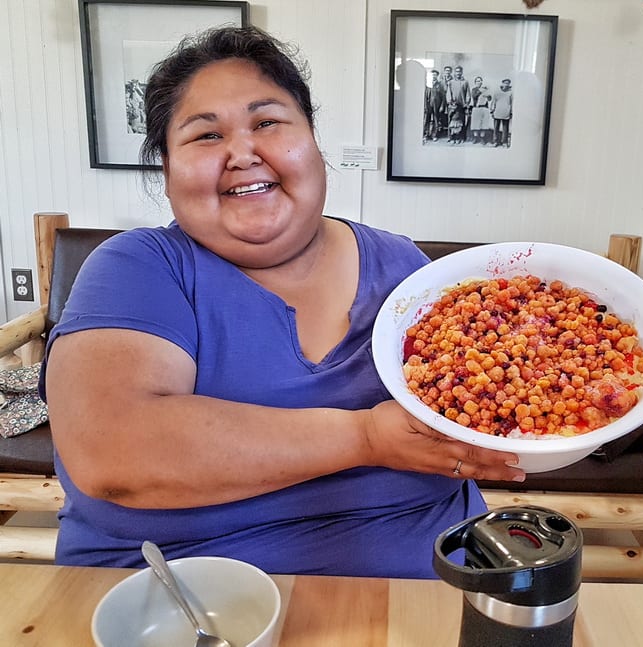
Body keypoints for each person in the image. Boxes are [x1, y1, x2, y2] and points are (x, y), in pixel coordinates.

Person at [40, 25, 524, 578]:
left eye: (267, 122)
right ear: (166, 171)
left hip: (432, 585)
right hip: (183, 598)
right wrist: (364, 437)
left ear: (312, 142)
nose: (243, 153)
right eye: (204, 136)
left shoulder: (403, 266)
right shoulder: (139, 266)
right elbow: (114, 451)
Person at [469, 76, 493, 145]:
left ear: (482, 82)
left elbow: (489, 98)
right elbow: (474, 96)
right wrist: (481, 90)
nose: (479, 82)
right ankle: (476, 137)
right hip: (477, 108)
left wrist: (488, 95)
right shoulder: (474, 89)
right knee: (475, 124)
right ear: (475, 82)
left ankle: (482, 138)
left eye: (480, 81)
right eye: (477, 81)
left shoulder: (486, 89)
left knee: (484, 124)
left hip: (484, 108)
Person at [491, 77, 513, 148]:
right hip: (497, 112)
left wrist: (511, 112)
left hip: (506, 113)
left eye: (508, 83)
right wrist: (492, 110)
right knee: (495, 128)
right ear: (502, 83)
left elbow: (512, 103)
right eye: (505, 83)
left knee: (505, 128)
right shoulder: (497, 92)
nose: (506, 84)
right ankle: (495, 141)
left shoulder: (511, 92)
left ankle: (504, 142)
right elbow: (493, 102)